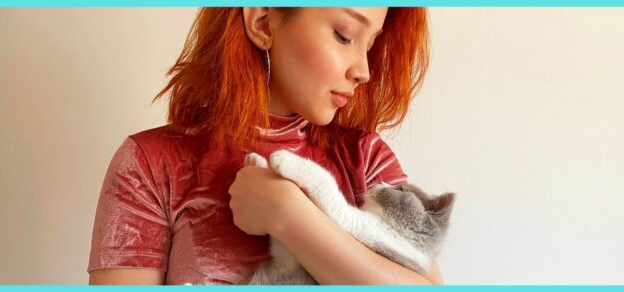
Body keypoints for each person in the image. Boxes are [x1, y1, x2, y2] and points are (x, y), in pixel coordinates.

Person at [87, 7, 443, 285]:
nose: (364, 70)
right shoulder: (150, 163)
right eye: (344, 35)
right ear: (262, 22)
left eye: (371, 43)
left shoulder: (366, 157)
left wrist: (290, 215)